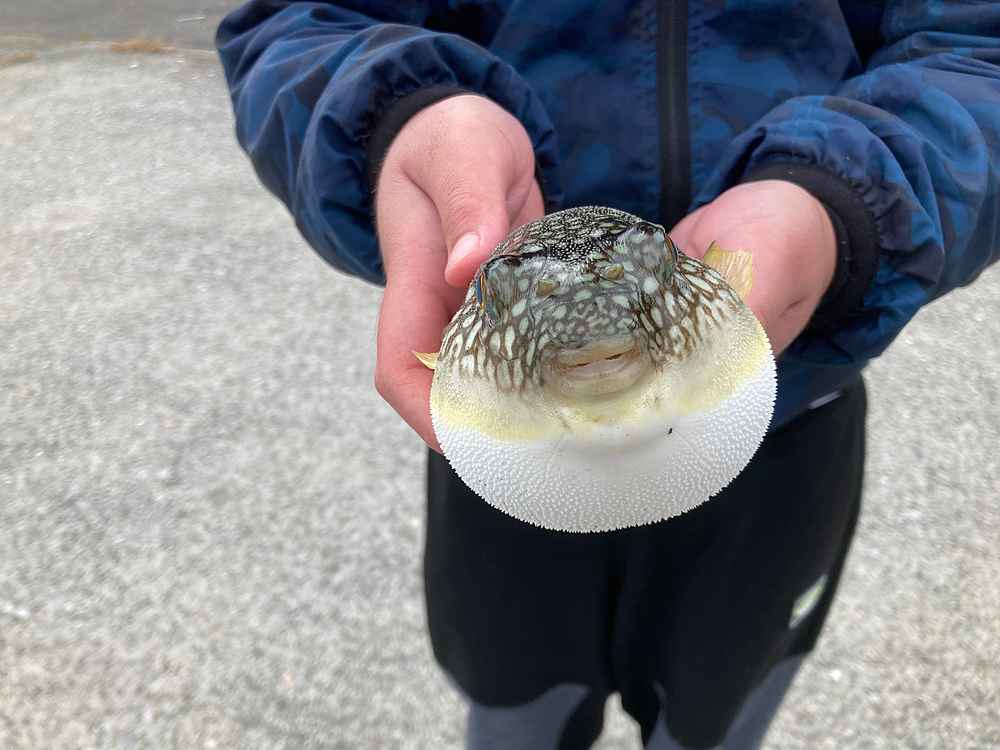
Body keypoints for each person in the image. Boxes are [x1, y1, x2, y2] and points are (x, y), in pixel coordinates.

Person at [216, 3, 1000, 747]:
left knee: (716, 715)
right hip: (517, 457)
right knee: (517, 708)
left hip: (779, 428)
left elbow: (979, 47)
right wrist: (398, 115)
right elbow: (303, 19)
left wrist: (841, 206)